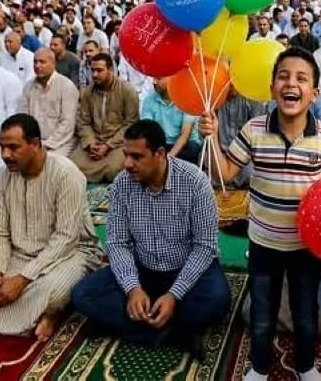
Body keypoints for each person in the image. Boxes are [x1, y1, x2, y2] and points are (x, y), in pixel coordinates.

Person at [200, 48, 321, 381]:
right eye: (283, 76)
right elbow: (226, 171)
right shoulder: (254, 129)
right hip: (263, 244)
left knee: (306, 313)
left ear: (314, 93)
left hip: (306, 248)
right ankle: (260, 367)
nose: (291, 83)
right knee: (262, 313)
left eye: (301, 78)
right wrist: (211, 138)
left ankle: (305, 366)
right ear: (272, 86)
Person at [72, 120, 229, 355]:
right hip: (143, 268)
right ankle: (174, 332)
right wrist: (133, 288)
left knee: (218, 299)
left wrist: (174, 294)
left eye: (136, 157)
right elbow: (117, 242)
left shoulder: (195, 182)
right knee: (83, 294)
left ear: (160, 154)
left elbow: (205, 247)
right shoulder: (122, 184)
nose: (127, 164)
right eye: (126, 155)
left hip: (185, 269)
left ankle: (127, 323)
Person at [0, 114, 103, 340]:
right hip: (17, 254)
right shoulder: (3, 176)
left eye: (14, 147)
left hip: (69, 255)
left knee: (52, 291)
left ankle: (50, 313)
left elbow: (66, 239)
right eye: (3, 147)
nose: (5, 155)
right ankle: (31, 317)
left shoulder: (66, 174)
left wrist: (21, 280)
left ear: (35, 144)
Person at [72, 53, 140, 182]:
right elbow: (83, 122)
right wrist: (91, 143)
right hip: (94, 140)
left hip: (118, 143)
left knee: (113, 170)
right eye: (93, 70)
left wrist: (107, 146)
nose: (95, 75)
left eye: (99, 70)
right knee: (74, 165)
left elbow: (131, 124)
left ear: (111, 70)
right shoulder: (87, 92)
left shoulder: (127, 90)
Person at [18, 49, 80, 157]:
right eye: (35, 62)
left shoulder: (66, 86)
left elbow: (67, 124)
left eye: (42, 62)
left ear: (53, 63)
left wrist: (46, 144)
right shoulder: (28, 86)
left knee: (48, 161)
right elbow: (23, 117)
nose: (37, 66)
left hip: (61, 142)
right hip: (34, 141)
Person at [139, 77, 200, 163]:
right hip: (161, 144)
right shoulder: (149, 100)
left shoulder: (187, 99)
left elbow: (185, 135)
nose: (154, 82)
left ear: (171, 78)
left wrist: (168, 159)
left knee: (192, 148)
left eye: (158, 78)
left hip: (184, 145)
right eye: (153, 78)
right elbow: (148, 131)